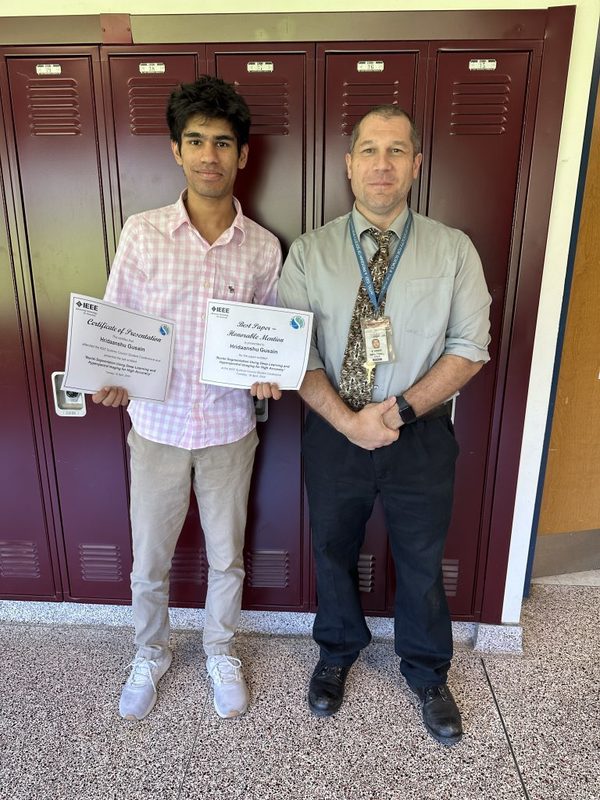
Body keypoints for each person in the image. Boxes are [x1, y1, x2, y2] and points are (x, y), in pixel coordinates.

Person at [275, 104, 491, 745]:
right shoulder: (310, 253)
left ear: (416, 165)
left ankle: (427, 672)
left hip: (419, 433)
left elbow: (470, 346)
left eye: (397, 150)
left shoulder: (454, 249)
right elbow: (296, 354)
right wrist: (348, 421)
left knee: (422, 560)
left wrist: (393, 413)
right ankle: (337, 651)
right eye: (369, 149)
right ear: (348, 165)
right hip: (334, 430)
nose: (382, 163)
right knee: (332, 549)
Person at [92, 76, 282, 722]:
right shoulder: (143, 233)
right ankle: (151, 651)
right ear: (176, 150)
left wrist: (266, 374)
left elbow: (270, 336)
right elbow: (116, 320)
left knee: (228, 556)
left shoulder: (262, 247)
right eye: (196, 141)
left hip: (230, 428)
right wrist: (111, 372)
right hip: (157, 427)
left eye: (223, 143)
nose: (209, 155)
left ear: (242, 155)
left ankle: (220, 648)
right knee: (150, 558)